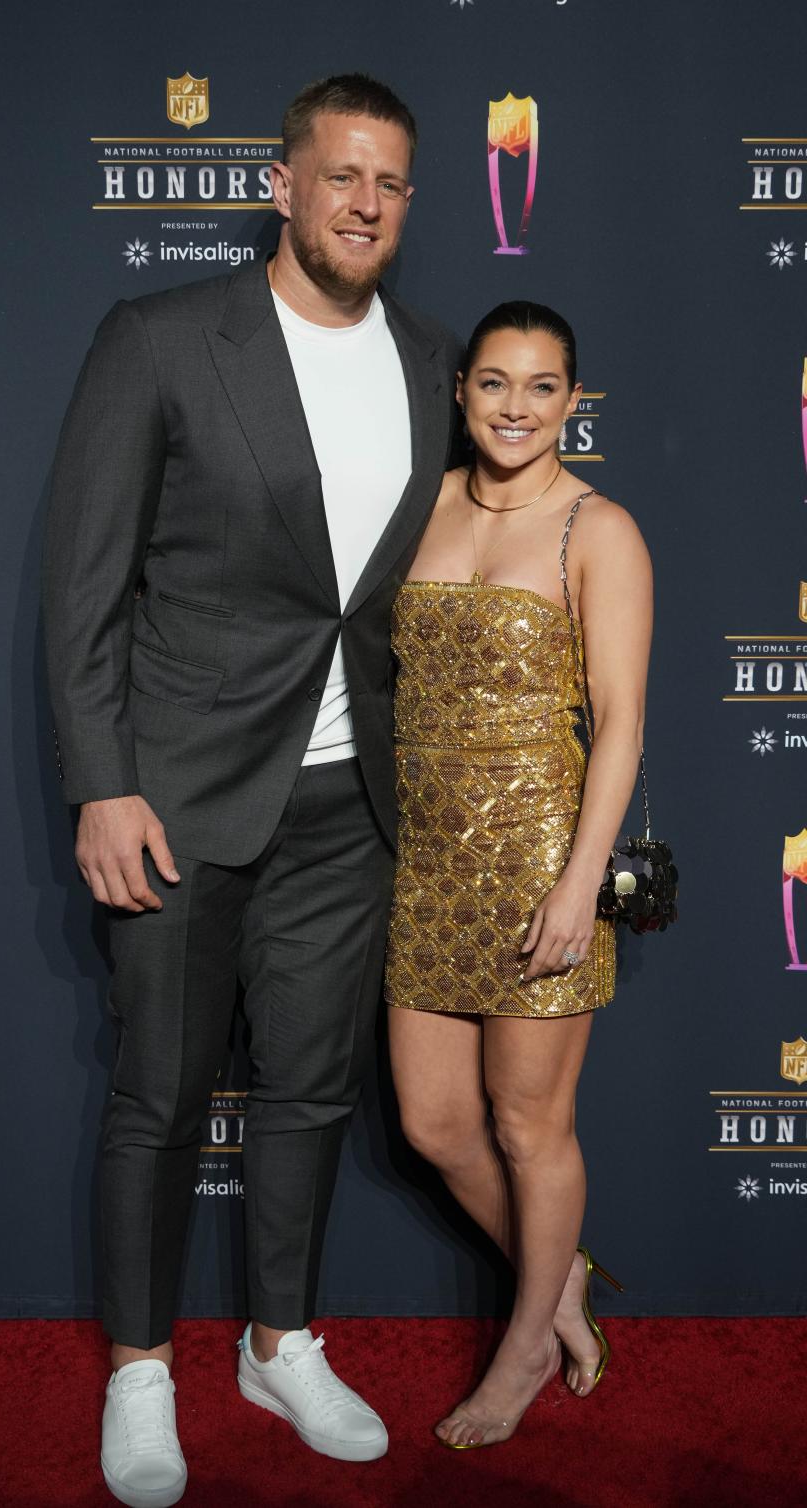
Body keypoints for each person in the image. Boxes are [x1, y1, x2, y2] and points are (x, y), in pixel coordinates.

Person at [42, 73, 461, 1506]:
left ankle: (281, 1341)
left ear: (408, 201)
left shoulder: (429, 359)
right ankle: (143, 1370)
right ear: (282, 185)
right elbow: (84, 585)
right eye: (339, 175)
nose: (363, 202)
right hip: (176, 795)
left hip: (352, 803)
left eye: (389, 183)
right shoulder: (162, 339)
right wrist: (103, 782)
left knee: (307, 1091)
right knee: (157, 1098)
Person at [385, 301, 652, 1448]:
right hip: (427, 856)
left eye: (542, 387)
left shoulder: (598, 529)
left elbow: (625, 722)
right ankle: (564, 1280)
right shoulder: (425, 505)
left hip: (543, 856)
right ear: (461, 393)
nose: (515, 407)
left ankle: (526, 1341)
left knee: (531, 1122)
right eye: (494, 383)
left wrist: (578, 882)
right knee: (437, 1121)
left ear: (573, 401)